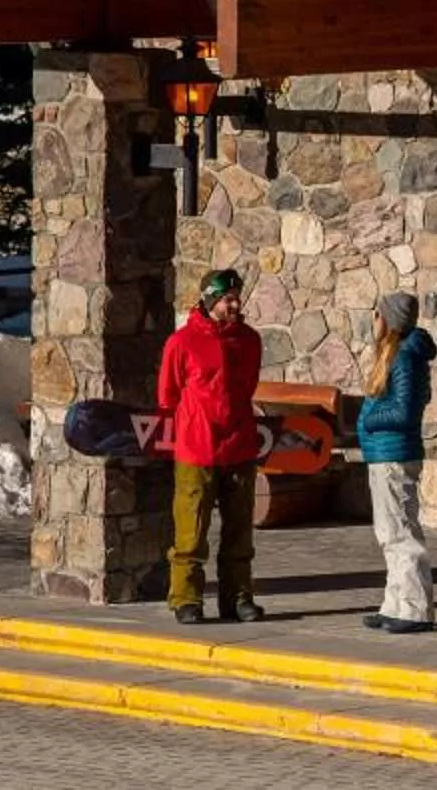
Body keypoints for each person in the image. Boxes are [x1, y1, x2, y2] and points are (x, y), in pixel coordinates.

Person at [157, 266, 265, 625]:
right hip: (197, 449)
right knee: (191, 529)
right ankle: (185, 598)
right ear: (210, 300)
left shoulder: (249, 340)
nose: (235, 305)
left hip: (239, 447)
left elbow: (247, 387)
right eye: (228, 299)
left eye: (237, 298)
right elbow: (168, 396)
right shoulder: (181, 343)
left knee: (239, 530)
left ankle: (238, 596)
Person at [357, 289, 436, 632]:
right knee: (388, 532)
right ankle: (395, 604)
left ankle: (415, 610)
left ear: (387, 320)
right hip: (384, 454)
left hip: (393, 454)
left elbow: (404, 411)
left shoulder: (404, 358)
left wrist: (370, 421)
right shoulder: (398, 355)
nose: (373, 320)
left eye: (376, 314)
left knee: (401, 532)